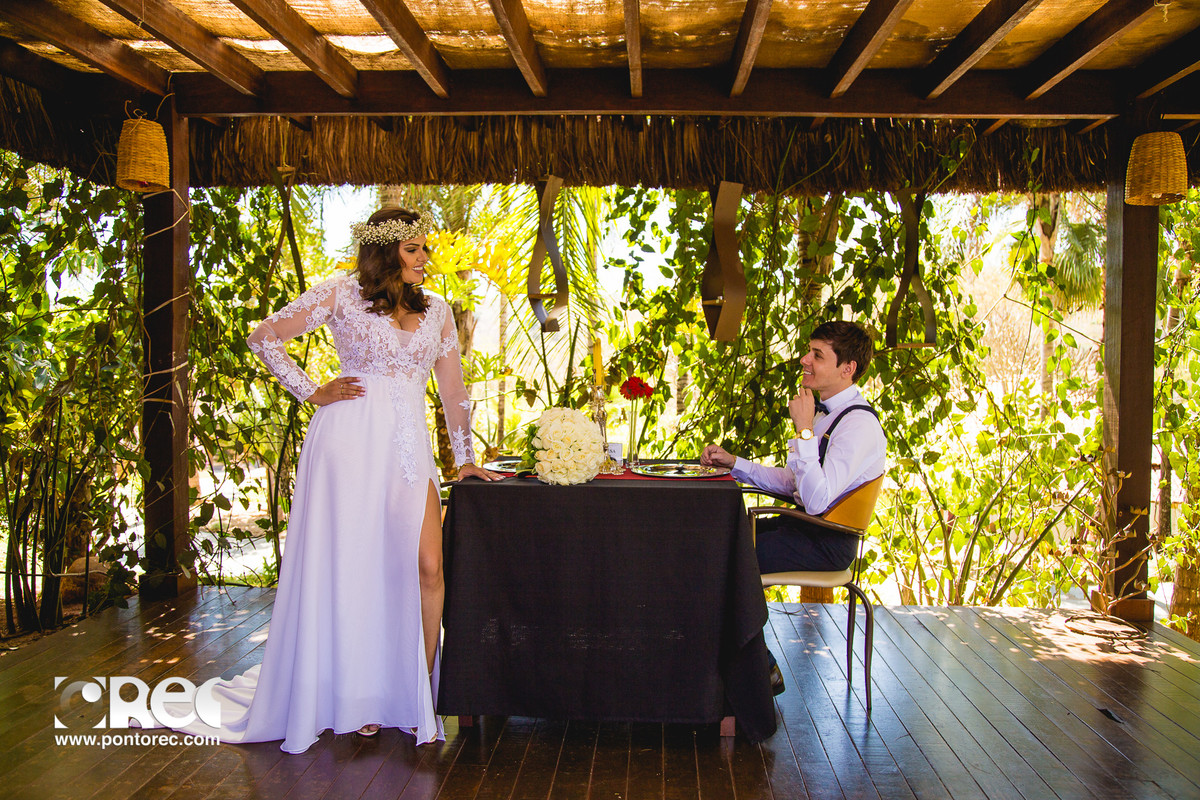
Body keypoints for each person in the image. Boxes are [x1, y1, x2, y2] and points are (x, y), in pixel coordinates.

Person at [168, 207, 499, 753]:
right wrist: (311, 390)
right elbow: (264, 336)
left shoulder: (439, 311)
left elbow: (453, 392)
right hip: (346, 443)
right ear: (387, 251)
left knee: (429, 567)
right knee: (357, 570)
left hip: (408, 449)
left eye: (425, 248)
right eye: (413, 249)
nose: (424, 258)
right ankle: (360, 695)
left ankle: (412, 694)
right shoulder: (343, 293)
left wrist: (463, 459)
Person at [700, 320, 885, 694]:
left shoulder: (858, 425)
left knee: (720, 561)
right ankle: (745, 671)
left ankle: (755, 673)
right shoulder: (825, 414)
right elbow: (794, 483)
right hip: (802, 529)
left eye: (817, 354)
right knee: (711, 545)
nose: (804, 360)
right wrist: (734, 463)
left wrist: (803, 430)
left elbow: (817, 502)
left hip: (827, 542)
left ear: (847, 368)